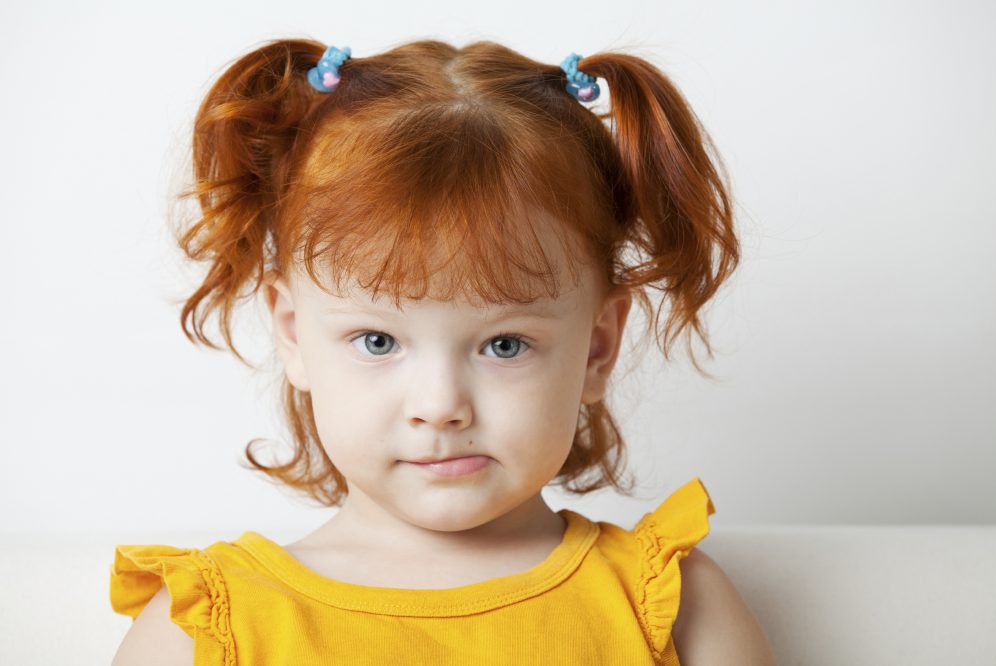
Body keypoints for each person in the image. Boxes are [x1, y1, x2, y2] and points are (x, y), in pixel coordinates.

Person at [109, 37, 776, 665]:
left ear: (597, 348)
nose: (440, 407)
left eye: (504, 344)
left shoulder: (668, 605)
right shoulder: (200, 630)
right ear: (292, 333)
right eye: (377, 340)